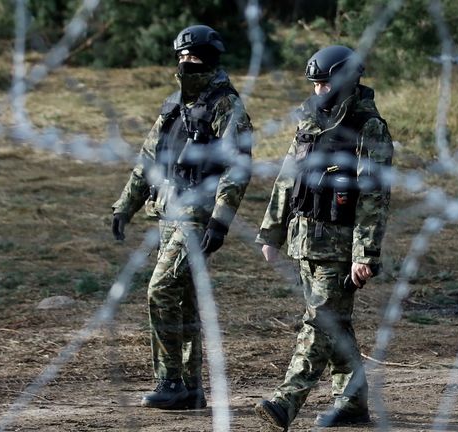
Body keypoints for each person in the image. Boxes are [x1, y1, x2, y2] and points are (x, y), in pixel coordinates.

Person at [110, 24, 252, 410]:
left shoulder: (227, 106)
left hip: (198, 215)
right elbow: (148, 161)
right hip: (168, 212)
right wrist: (126, 206)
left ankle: (169, 381)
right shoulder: (174, 105)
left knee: (161, 289)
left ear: (209, 57)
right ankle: (190, 390)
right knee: (185, 301)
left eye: (192, 56)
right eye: (181, 56)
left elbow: (237, 169)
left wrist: (221, 220)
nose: (185, 62)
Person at [254, 45, 393, 430]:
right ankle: (351, 403)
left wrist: (364, 253)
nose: (318, 91)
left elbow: (374, 196)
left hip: (340, 248)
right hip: (305, 242)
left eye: (324, 83)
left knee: (318, 324)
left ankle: (286, 400)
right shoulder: (310, 123)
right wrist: (272, 232)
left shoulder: (368, 127)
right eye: (314, 84)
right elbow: (287, 180)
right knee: (335, 323)